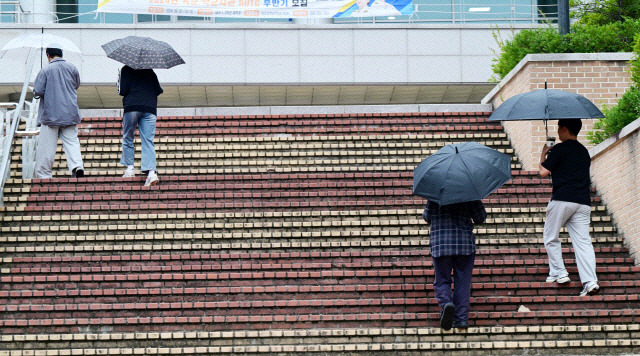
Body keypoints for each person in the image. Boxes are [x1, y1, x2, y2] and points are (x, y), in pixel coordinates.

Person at [540, 119, 600, 297]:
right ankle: (590, 282)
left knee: (550, 237)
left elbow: (543, 172)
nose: (558, 132)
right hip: (582, 202)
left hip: (562, 199)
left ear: (565, 129)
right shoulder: (583, 151)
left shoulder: (560, 148)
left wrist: (544, 153)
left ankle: (560, 273)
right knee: (583, 242)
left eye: (559, 128)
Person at [423, 200, 486, 330]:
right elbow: (481, 218)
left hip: (441, 243)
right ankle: (461, 319)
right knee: (462, 282)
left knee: (442, 280)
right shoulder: (470, 192)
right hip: (464, 244)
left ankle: (446, 304)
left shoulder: (436, 193)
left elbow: (427, 217)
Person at [33, 47, 84, 179]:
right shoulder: (72, 68)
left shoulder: (45, 70)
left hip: (51, 114)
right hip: (70, 112)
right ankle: (77, 166)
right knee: (72, 142)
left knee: (47, 147)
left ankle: (44, 174)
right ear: (61, 54)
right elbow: (76, 84)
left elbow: (38, 91)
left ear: (48, 55)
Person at [117, 65, 163, 186]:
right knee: (148, 141)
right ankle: (152, 173)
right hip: (150, 108)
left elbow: (122, 91)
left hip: (132, 107)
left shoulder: (126, 69)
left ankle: (130, 169)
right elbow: (158, 90)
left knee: (128, 138)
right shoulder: (150, 70)